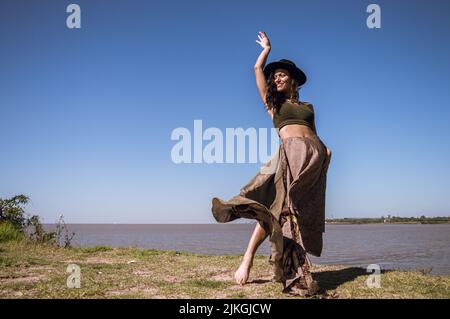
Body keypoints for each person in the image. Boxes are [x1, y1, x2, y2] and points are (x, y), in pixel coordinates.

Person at [211, 31, 332, 297]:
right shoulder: (272, 105)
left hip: (311, 159)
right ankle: (249, 259)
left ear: (293, 80)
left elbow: (313, 132)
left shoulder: (308, 106)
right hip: (288, 155)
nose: (276, 77)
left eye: (281, 75)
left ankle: (295, 268)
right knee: (276, 211)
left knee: (298, 213)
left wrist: (325, 152)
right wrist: (266, 49)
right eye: (274, 75)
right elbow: (256, 69)